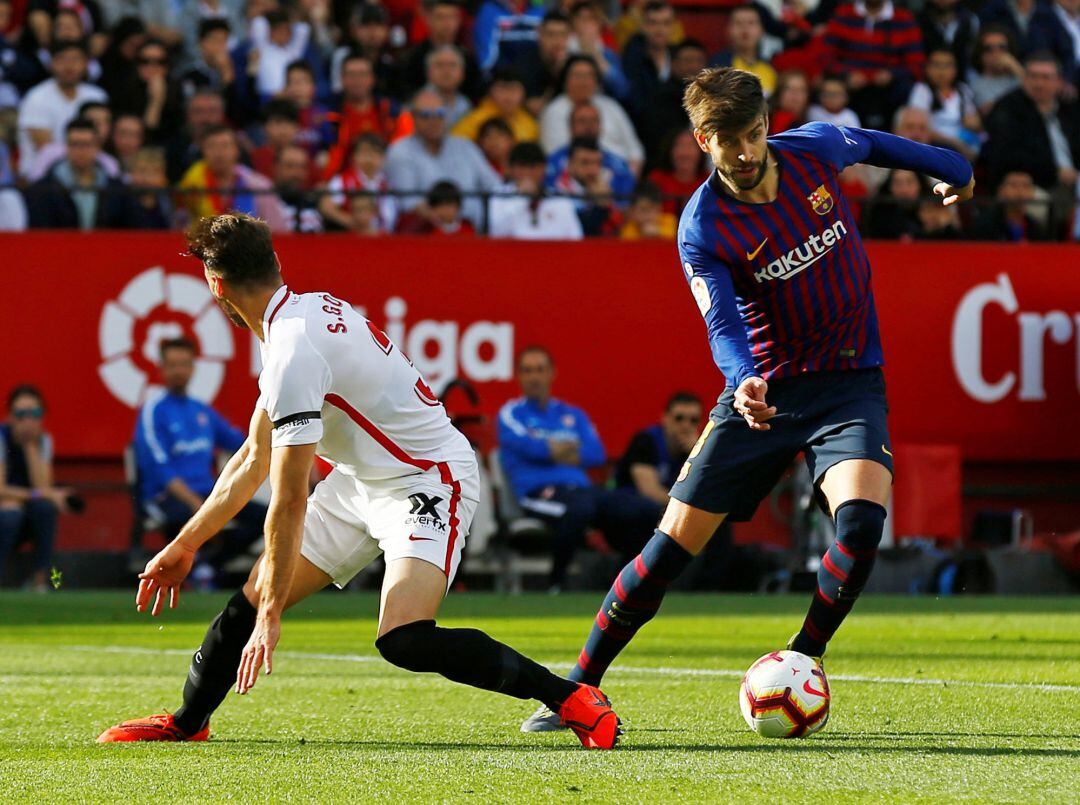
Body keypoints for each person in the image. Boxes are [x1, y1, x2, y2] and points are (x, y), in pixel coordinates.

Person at [521, 67, 975, 732]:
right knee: (669, 549)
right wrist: (746, 378)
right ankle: (577, 687)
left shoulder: (815, 149)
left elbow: (886, 147)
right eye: (728, 139)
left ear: (768, 126)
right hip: (761, 394)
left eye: (754, 134)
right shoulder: (703, 227)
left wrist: (952, 168)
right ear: (703, 140)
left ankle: (803, 658)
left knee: (859, 526)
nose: (744, 151)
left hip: (848, 381)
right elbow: (724, 327)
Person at [97, 214, 620, 750]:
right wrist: (186, 544)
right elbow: (254, 455)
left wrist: (274, 613)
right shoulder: (294, 324)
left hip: (427, 479)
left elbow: (290, 497)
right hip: (357, 484)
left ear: (215, 286)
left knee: (404, 637)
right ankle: (187, 723)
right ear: (276, 264)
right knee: (245, 604)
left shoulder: (292, 351)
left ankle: (570, 697)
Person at [133, 336, 265, 582]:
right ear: (161, 368)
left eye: (184, 364)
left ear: (193, 368)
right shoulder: (153, 411)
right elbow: (160, 470)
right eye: (172, 365)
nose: (179, 371)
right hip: (168, 498)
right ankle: (192, 567)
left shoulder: (201, 411)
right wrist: (199, 506)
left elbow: (243, 442)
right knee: (179, 518)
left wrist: (280, 440)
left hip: (206, 494)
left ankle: (207, 566)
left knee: (264, 518)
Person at [384, 88, 503, 227]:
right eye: (425, 115)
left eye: (439, 114)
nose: (433, 120)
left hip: (476, 235)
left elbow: (495, 187)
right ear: (413, 117)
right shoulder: (400, 151)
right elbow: (406, 202)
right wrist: (446, 222)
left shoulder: (466, 146)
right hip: (426, 237)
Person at [0, 385, 72, 591]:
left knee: (45, 509)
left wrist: (30, 446)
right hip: (6, 514)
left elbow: (44, 488)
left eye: (35, 413)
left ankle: (40, 581)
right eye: (21, 414)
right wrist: (34, 495)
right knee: (10, 513)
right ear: (10, 417)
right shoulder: (1, 437)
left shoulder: (43, 440)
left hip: (26, 512)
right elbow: (1, 489)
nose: (28, 420)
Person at [981, 52, 1079, 192]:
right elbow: (1008, 156)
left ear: (1059, 81)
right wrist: (1056, 171)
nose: (1038, 84)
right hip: (1029, 185)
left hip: (1073, 181)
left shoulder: (1068, 108)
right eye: (1033, 76)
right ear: (1024, 79)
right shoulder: (1007, 108)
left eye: (1046, 77)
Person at [823, 0, 925, 131]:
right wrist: (847, 74)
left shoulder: (904, 19)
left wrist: (892, 75)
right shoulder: (843, 15)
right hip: (850, 92)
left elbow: (916, 65)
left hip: (891, 94)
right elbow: (825, 58)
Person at [540, 55, 644, 173]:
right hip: (575, 181)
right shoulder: (554, 111)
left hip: (621, 180)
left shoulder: (611, 106)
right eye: (578, 76)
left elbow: (635, 150)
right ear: (565, 80)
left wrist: (627, 180)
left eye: (589, 75)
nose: (584, 81)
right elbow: (556, 157)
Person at [16, 39, 107, 175]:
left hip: (91, 173)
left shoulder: (97, 96)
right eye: (62, 59)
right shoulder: (36, 97)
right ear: (51, 64)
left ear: (86, 64)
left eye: (76, 59)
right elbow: (46, 150)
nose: (69, 66)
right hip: (44, 177)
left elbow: (103, 138)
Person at [24, 118, 135, 229]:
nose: (80, 150)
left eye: (86, 144)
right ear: (66, 147)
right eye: (74, 144)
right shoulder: (42, 190)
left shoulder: (117, 189)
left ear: (97, 147)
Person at [177, 125, 289, 231]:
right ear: (203, 151)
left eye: (225, 146)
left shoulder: (259, 186)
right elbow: (180, 226)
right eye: (211, 146)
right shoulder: (191, 182)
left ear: (237, 150)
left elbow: (277, 231)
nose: (219, 153)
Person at [614, 392, 703, 506]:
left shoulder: (700, 450)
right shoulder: (645, 441)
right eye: (679, 418)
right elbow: (650, 492)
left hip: (674, 508)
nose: (686, 425)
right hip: (632, 505)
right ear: (665, 418)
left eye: (693, 420)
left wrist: (698, 455)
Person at [489, 141, 583, 239]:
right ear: (511, 169)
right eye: (522, 166)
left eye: (533, 166)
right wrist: (521, 198)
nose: (527, 172)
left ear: (544, 168)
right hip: (511, 252)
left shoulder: (560, 199)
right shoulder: (499, 195)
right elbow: (496, 232)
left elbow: (575, 237)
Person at [545, 101, 635, 201]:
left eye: (594, 121)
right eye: (582, 121)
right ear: (570, 127)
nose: (589, 126)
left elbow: (627, 205)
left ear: (601, 126)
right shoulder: (551, 164)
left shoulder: (619, 166)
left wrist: (607, 202)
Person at [907, 48, 982, 160]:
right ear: (927, 69)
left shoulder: (963, 90)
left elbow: (974, 122)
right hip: (934, 145)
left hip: (962, 144)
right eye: (937, 65)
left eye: (947, 66)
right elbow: (921, 128)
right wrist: (955, 143)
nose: (941, 71)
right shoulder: (922, 90)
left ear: (955, 70)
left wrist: (974, 123)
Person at [401, 0, 483, 100]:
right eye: (440, 17)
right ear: (429, 20)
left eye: (452, 17)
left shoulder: (468, 58)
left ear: (459, 20)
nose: (447, 23)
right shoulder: (413, 58)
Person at [321, 132, 397, 234]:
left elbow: (390, 216)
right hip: (352, 239)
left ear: (383, 157)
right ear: (354, 157)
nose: (369, 158)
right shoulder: (343, 180)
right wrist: (352, 223)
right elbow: (326, 206)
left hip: (382, 239)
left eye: (375, 153)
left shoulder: (388, 184)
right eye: (364, 152)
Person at [552, 136, 623, 235]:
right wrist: (601, 206)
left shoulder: (606, 188)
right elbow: (580, 232)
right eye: (585, 163)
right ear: (570, 164)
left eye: (597, 163)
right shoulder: (557, 194)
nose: (592, 170)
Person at [451, 66, 538, 143]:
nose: (508, 95)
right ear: (491, 92)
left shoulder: (530, 125)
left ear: (523, 93)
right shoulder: (474, 121)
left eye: (514, 89)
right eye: (502, 88)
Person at [709, 4, 778, 97]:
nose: (745, 29)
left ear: (762, 30)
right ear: (728, 30)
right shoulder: (717, 66)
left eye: (751, 23)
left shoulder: (771, 69)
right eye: (738, 23)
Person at [970, 169, 1050, 240]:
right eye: (1013, 185)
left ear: (1032, 193)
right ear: (1001, 191)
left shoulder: (1035, 229)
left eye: (1026, 186)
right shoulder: (985, 227)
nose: (1020, 191)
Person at [646, 128, 711, 215]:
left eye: (690, 146)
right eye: (679, 146)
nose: (685, 153)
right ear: (670, 151)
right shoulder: (656, 180)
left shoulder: (709, 181)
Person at [967, 24, 1025, 117]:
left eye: (1002, 47)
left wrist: (1016, 68)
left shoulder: (1019, 75)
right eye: (988, 48)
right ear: (980, 55)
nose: (996, 53)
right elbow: (994, 112)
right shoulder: (975, 85)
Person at [394, 179, 476, 236]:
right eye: (441, 206)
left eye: (449, 205)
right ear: (432, 208)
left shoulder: (468, 228)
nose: (445, 211)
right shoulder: (425, 229)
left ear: (458, 207)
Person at [274, 144, 323, 233]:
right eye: (290, 166)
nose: (296, 173)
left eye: (302, 167)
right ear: (277, 168)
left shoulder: (317, 205)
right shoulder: (265, 203)